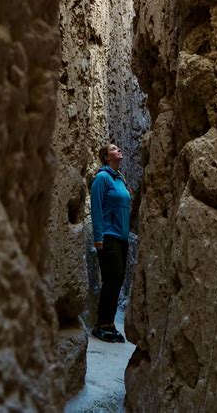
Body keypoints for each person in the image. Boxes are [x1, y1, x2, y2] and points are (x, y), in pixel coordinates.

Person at [90, 142, 131, 343]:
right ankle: (101, 324)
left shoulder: (119, 179)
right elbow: (96, 208)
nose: (119, 150)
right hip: (108, 236)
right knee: (111, 280)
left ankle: (109, 323)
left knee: (117, 281)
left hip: (121, 238)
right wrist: (98, 238)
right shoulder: (102, 178)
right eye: (114, 149)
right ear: (107, 157)